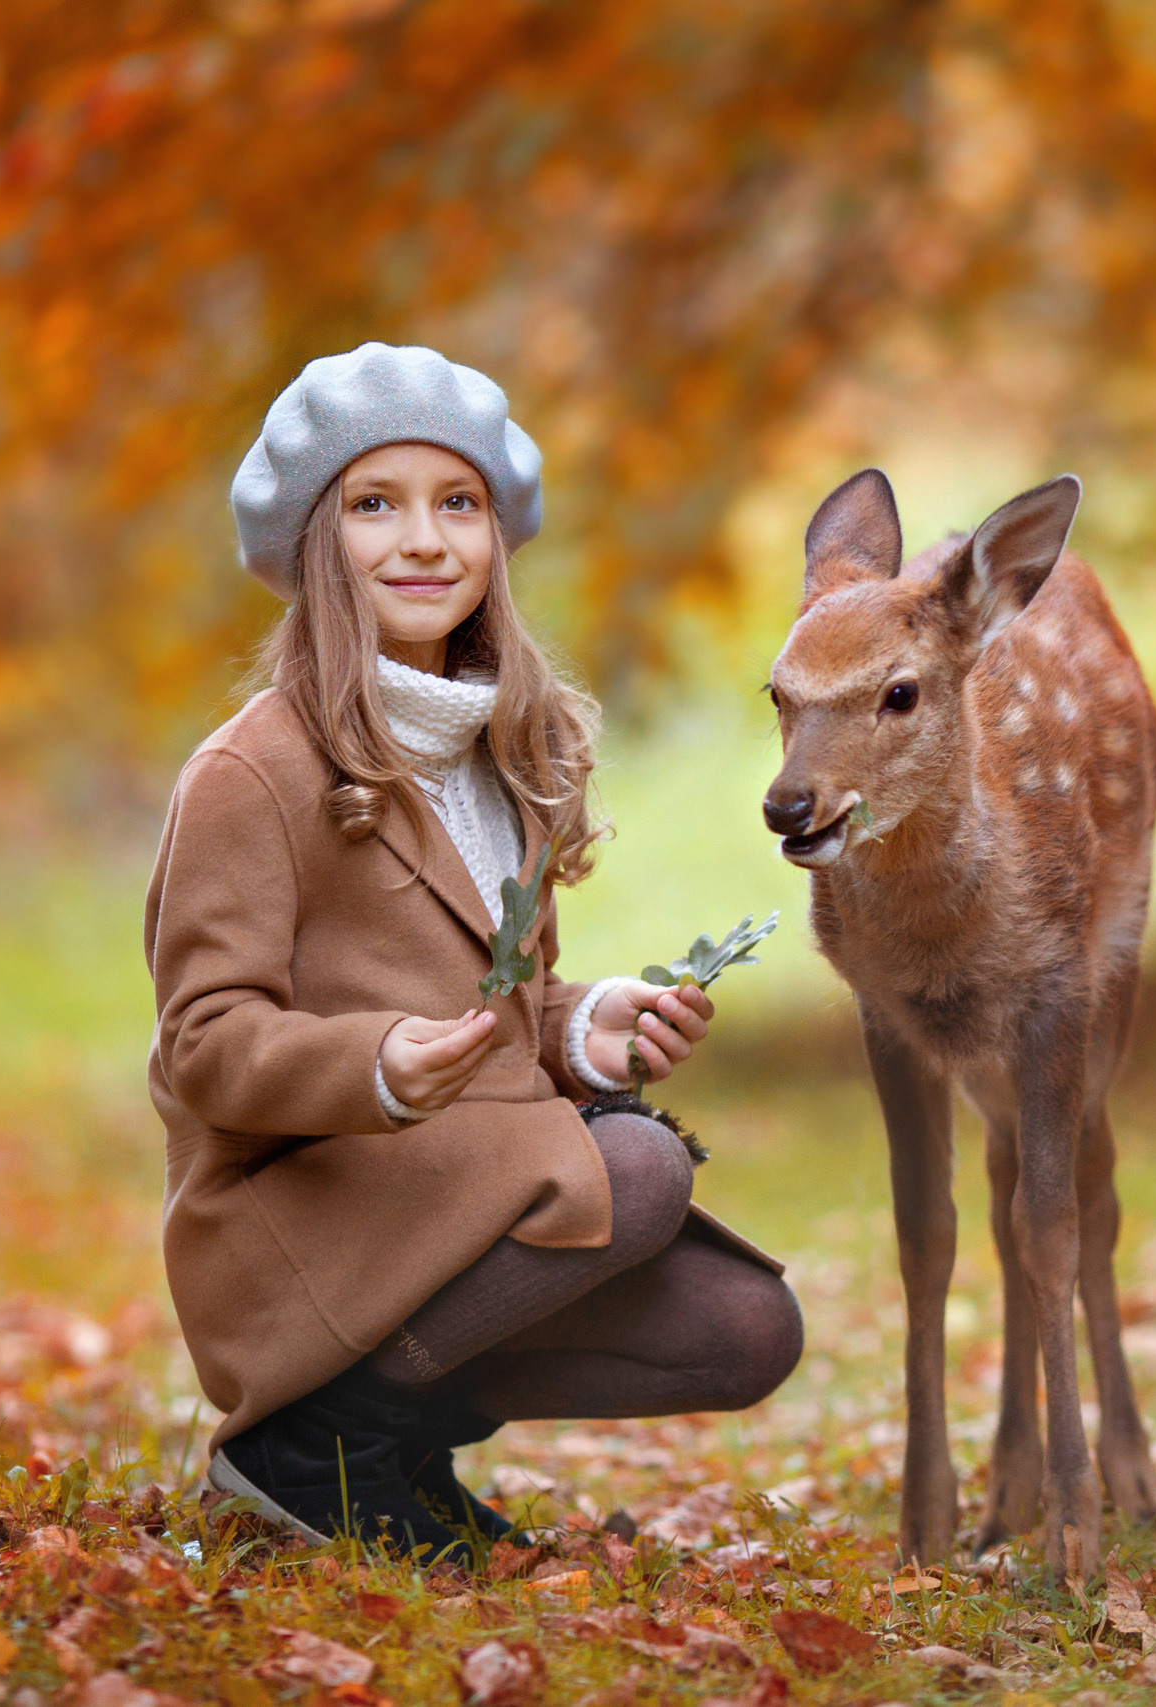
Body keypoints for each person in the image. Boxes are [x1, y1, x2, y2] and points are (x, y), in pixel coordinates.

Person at [144, 342, 804, 1561]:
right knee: (640, 1173)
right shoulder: (253, 770)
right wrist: (377, 1063)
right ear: (311, 542)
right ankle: (307, 1444)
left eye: (457, 503)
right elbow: (201, 1046)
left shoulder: (504, 750)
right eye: (373, 504)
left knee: (744, 1329)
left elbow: (504, 1001)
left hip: (457, 1184)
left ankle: (387, 1448)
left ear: (497, 538)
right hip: (314, 1206)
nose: (423, 539)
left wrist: (584, 1026)